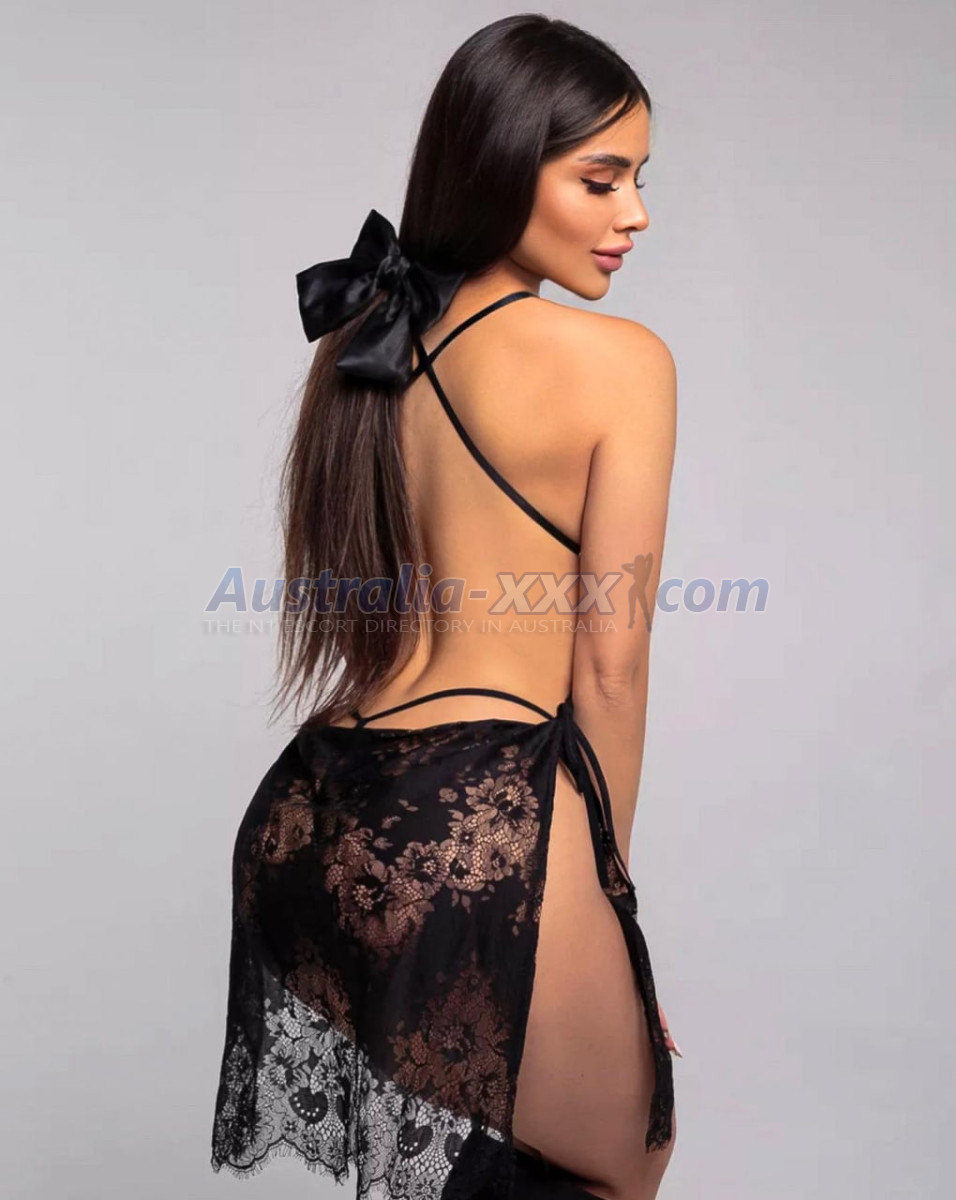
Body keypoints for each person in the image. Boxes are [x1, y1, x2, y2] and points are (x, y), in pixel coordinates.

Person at [211, 14, 679, 1200]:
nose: (634, 214)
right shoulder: (621, 363)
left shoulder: (363, 341)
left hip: (313, 814)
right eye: (602, 179)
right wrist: (608, 905)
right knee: (624, 1167)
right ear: (501, 163)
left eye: (640, 180)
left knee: (488, 1166)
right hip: (477, 819)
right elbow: (611, 666)